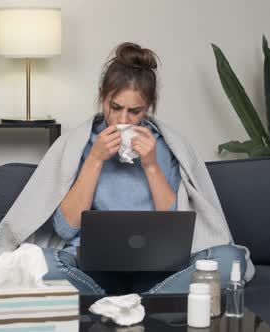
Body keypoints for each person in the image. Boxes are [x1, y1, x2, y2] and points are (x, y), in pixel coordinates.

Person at [41, 42, 247, 295]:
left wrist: (150, 165)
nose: (123, 120)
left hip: (158, 271)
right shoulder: (79, 144)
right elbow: (65, 228)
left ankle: (134, 303)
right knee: (38, 264)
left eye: (134, 111)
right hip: (92, 271)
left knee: (231, 260)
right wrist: (95, 159)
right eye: (115, 107)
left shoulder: (167, 146)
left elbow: (176, 231)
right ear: (101, 96)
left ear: (147, 107)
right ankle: (146, 307)